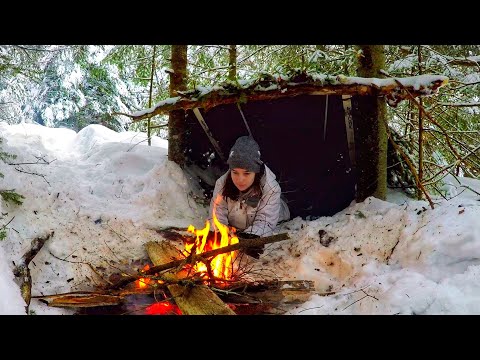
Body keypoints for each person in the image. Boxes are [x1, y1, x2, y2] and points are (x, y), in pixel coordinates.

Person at [209, 136, 290, 258]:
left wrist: (251, 237)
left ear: (255, 172)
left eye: (247, 173)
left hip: (278, 215)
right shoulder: (222, 184)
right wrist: (219, 233)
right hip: (240, 218)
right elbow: (217, 213)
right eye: (235, 172)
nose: (240, 179)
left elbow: (266, 220)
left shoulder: (271, 188)